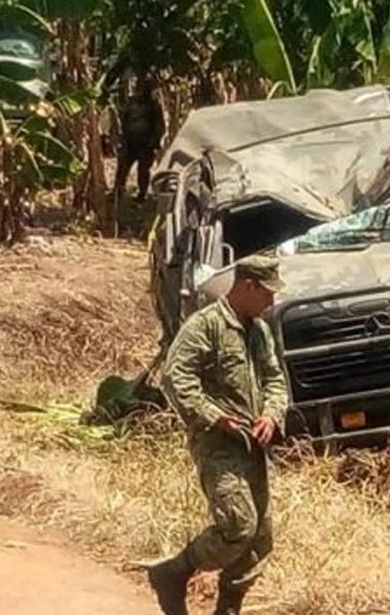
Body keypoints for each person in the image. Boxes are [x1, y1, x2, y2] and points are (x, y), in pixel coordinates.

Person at [147, 255, 288, 615]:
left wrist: (271, 415)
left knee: (259, 539)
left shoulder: (259, 331)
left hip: (254, 446)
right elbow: (176, 378)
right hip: (218, 444)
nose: (271, 301)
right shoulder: (206, 326)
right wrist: (214, 416)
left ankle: (228, 609)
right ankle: (174, 572)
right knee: (238, 525)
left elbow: (274, 379)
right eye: (266, 293)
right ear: (247, 286)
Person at [115, 76, 165, 203]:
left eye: (145, 87)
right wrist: (122, 139)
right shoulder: (131, 103)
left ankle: (142, 194)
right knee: (122, 168)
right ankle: (118, 192)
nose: (142, 90)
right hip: (130, 142)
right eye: (140, 87)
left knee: (143, 171)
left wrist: (153, 142)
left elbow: (160, 126)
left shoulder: (154, 105)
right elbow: (124, 121)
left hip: (145, 144)